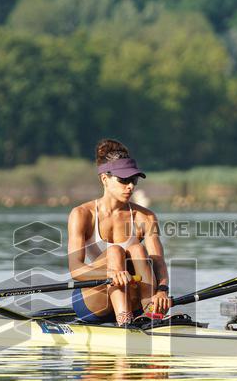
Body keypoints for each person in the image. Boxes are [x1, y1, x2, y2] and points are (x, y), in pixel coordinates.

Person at [68, 139, 170, 326]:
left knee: (138, 251)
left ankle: (150, 314)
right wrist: (111, 273)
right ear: (104, 179)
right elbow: (75, 269)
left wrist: (163, 290)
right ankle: (124, 322)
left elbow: (158, 262)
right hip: (93, 301)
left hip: (134, 298)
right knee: (115, 251)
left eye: (134, 180)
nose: (130, 186)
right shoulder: (81, 214)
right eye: (123, 180)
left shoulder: (146, 217)